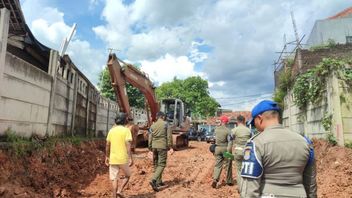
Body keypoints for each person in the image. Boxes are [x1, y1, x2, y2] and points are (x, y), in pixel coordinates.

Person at [240, 100, 317, 198]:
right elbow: (310, 182)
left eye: (254, 123)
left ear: (259, 119)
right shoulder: (305, 142)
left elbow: (249, 189)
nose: (256, 127)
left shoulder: (256, 144)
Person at [105, 112, 133, 198]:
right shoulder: (126, 130)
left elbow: (107, 145)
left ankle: (114, 196)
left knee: (114, 178)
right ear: (125, 120)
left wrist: (107, 156)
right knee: (128, 175)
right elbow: (128, 145)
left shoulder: (111, 130)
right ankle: (120, 190)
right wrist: (130, 158)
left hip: (113, 159)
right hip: (122, 159)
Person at [148, 112, 173, 192]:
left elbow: (150, 137)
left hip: (154, 146)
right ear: (162, 116)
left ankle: (159, 182)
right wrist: (170, 146)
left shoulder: (152, 125)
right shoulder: (166, 124)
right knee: (162, 164)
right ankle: (154, 180)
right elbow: (169, 136)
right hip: (162, 146)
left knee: (156, 164)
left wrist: (150, 147)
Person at [212, 115, 234, 188]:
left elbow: (213, 139)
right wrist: (229, 152)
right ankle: (229, 181)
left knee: (218, 165)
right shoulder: (228, 131)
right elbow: (230, 141)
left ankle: (215, 179)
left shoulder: (216, 129)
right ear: (227, 122)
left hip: (217, 149)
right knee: (228, 164)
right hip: (225, 149)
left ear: (221, 122)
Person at [232, 115, 251, 190]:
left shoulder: (234, 130)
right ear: (244, 121)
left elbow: (230, 139)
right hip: (247, 152)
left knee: (239, 170)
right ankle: (247, 187)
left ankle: (240, 188)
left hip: (238, 151)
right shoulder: (248, 130)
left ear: (237, 121)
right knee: (247, 169)